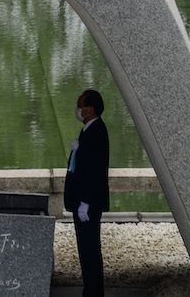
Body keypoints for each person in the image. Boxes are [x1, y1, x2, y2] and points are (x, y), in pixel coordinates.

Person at [64, 89, 110, 297]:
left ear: (90, 109)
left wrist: (86, 202)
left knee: (90, 248)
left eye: (81, 105)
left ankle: (94, 292)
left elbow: (95, 171)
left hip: (87, 204)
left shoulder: (97, 131)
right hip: (82, 201)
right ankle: (90, 290)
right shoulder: (88, 130)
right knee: (85, 248)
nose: (78, 110)